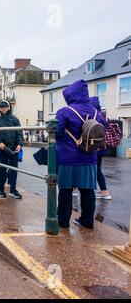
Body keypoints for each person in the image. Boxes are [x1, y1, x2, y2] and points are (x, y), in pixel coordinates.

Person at [56, 80, 98, 229]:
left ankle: (63, 221)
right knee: (87, 191)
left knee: (66, 190)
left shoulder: (64, 112)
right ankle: (87, 221)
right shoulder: (95, 111)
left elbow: (57, 132)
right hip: (89, 157)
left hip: (68, 158)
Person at [0, 100, 24, 199]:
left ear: (9, 107)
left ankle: (13, 190)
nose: (3, 108)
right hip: (3, 148)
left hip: (14, 147)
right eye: (1, 107)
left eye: (5, 106)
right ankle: (1, 190)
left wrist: (20, 144)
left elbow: (19, 133)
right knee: (3, 168)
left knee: (14, 169)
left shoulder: (15, 120)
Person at [90, 96, 112, 200]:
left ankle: (76, 189)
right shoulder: (102, 116)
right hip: (101, 146)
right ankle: (104, 191)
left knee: (87, 168)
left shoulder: (92, 115)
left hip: (92, 146)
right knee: (97, 169)